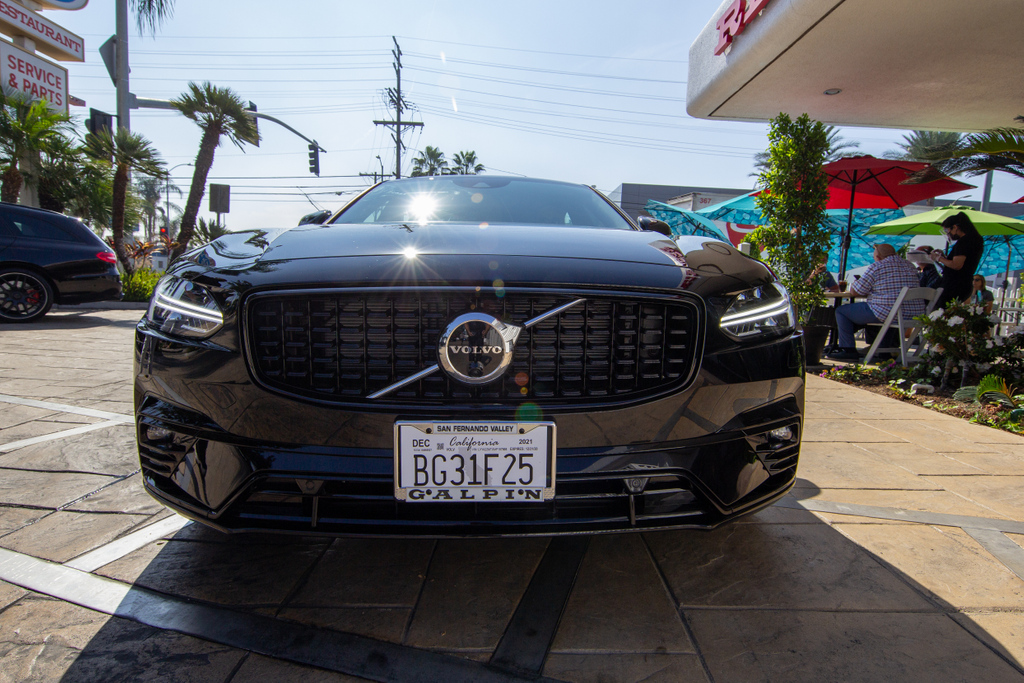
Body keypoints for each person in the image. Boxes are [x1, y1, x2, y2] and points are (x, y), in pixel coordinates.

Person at [825, 243, 925, 361]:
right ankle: (884, 350)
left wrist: (859, 284)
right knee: (891, 311)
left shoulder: (878, 266)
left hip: (888, 312)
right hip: (914, 313)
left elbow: (855, 291)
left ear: (877, 257)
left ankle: (848, 349)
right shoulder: (910, 266)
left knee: (841, 311)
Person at [931, 211, 984, 308]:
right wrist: (945, 258)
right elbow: (964, 262)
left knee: (940, 311)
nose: (947, 233)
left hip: (955, 285)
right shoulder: (975, 240)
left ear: (955, 227)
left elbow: (956, 265)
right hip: (965, 283)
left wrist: (938, 258)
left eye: (947, 230)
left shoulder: (964, 242)